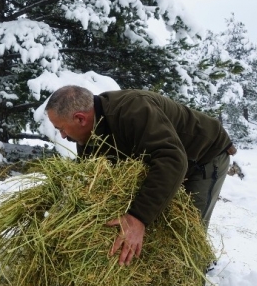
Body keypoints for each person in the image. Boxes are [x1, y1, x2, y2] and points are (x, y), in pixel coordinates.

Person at [45, 85, 236, 266]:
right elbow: (93, 177)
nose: (62, 136)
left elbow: (172, 160)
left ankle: (191, 282)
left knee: (186, 233)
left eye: (61, 128)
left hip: (203, 156)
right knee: (159, 220)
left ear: (80, 119)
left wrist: (137, 218)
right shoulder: (88, 133)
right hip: (170, 161)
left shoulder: (133, 110)